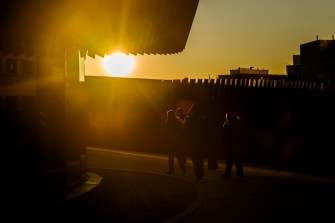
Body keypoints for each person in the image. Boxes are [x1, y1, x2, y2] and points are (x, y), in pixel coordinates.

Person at [181, 103, 209, 182]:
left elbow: (184, 132)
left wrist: (184, 142)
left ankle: (198, 175)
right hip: (201, 143)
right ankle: (200, 175)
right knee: (200, 160)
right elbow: (207, 132)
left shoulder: (188, 119)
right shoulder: (203, 120)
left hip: (192, 143)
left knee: (195, 160)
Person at [221, 111, 246, 182]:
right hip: (237, 146)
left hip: (229, 146)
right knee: (238, 162)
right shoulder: (239, 124)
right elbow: (242, 136)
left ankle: (227, 174)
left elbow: (224, 137)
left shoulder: (226, 124)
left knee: (229, 162)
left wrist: (223, 145)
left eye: (226, 117)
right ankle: (240, 175)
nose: (226, 118)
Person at [163, 109, 186, 175]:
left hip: (171, 142)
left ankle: (171, 170)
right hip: (177, 142)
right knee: (178, 156)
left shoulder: (168, 121)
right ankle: (183, 167)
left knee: (171, 157)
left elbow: (166, 133)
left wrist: (166, 141)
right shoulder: (178, 121)